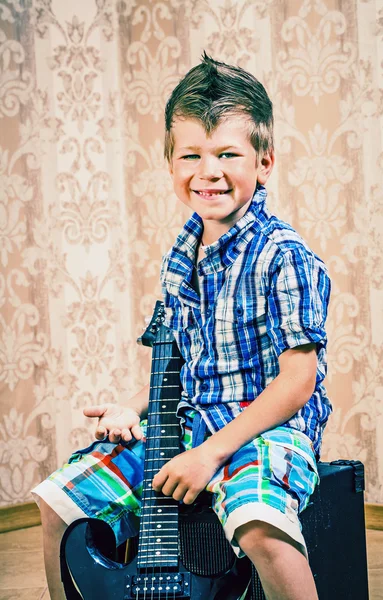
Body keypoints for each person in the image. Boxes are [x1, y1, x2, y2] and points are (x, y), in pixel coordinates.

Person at [32, 52, 332, 600]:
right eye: (190, 154)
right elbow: (177, 367)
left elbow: (297, 383)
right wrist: (135, 409)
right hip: (189, 426)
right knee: (57, 502)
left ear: (264, 162)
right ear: (171, 163)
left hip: (262, 431)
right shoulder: (182, 254)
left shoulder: (283, 255)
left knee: (259, 520)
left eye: (227, 154)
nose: (207, 170)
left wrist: (211, 453)